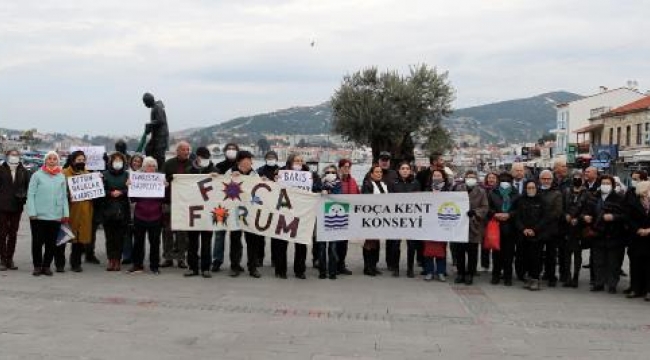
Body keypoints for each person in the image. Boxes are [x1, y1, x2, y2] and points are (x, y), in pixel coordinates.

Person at [274, 153, 321, 279]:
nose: (299, 163)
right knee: (282, 243)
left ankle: (300, 270)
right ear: (290, 162)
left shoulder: (311, 175)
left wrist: (313, 184)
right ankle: (280, 270)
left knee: (301, 242)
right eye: (296, 161)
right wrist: (276, 179)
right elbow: (274, 187)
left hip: (303, 213)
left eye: (301, 161)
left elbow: (317, 188)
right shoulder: (282, 173)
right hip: (285, 211)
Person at [26, 151, 69, 276]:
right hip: (38, 215)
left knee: (51, 243)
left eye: (54, 159)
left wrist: (65, 213)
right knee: (37, 242)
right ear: (45, 160)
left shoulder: (61, 176)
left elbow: (64, 196)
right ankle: (37, 266)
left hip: (55, 215)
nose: (51, 160)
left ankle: (46, 266)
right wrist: (32, 212)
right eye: (49, 158)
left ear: (58, 161)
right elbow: (31, 194)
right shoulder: (37, 175)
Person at [582, 175, 625, 293]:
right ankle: (598, 283)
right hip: (597, 233)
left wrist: (614, 217)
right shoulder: (593, 197)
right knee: (598, 261)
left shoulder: (619, 198)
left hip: (614, 234)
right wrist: (585, 217)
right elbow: (585, 211)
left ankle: (612, 284)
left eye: (607, 183)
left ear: (612, 185)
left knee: (613, 262)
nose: (605, 185)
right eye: (603, 183)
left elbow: (625, 215)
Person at [225, 150, 263, 278]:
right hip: (235, 212)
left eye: (250, 160)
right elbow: (222, 189)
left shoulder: (255, 174)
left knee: (252, 241)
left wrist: (264, 181)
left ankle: (252, 267)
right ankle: (235, 266)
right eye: (245, 160)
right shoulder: (230, 172)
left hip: (250, 212)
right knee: (235, 240)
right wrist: (230, 179)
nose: (248, 163)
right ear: (239, 162)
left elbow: (260, 192)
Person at [128, 157, 165, 274]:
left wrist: (166, 187)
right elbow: (133, 199)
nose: (151, 168)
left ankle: (154, 266)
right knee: (138, 242)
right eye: (149, 165)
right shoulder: (138, 179)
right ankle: (137, 264)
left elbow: (165, 199)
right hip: (140, 215)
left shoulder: (160, 179)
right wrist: (130, 186)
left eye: (153, 166)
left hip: (156, 215)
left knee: (155, 243)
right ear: (144, 167)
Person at [452, 170, 488, 285]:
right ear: (465, 178)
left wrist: (475, 212)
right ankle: (460, 273)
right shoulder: (458, 189)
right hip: (460, 225)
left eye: (473, 177)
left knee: (472, 252)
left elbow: (485, 207)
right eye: (468, 177)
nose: (470, 179)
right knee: (459, 252)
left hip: (474, 225)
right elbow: (452, 202)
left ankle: (470, 274)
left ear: (476, 179)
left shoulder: (481, 192)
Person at [185, 147, 216, 278]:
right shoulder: (189, 171)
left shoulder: (214, 170)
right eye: (202, 157)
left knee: (207, 242)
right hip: (193, 211)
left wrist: (217, 176)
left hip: (208, 213)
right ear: (197, 157)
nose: (204, 160)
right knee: (192, 242)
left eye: (206, 157)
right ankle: (192, 267)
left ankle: (205, 268)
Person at [60, 151, 94, 273]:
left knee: (79, 239)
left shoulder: (88, 174)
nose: (81, 162)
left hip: (84, 211)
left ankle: (76, 263)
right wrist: (69, 195)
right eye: (78, 160)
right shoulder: (64, 173)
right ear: (73, 160)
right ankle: (60, 263)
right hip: (69, 210)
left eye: (83, 160)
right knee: (63, 237)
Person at [161, 141, 193, 269]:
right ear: (177, 151)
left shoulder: (193, 164)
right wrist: (166, 182)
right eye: (183, 150)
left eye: (187, 150)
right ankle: (168, 258)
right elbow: (161, 179)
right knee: (167, 231)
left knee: (182, 233)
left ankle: (181, 258)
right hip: (169, 202)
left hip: (185, 204)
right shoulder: (168, 164)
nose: (186, 152)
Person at [211, 142, 240, 272]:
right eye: (229, 149)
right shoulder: (219, 166)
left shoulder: (241, 167)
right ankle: (217, 260)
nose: (231, 151)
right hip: (221, 205)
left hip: (237, 206)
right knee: (219, 235)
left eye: (234, 149)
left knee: (236, 236)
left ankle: (236, 262)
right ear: (225, 151)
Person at [514, 180, 548, 291]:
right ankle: (528, 277)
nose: (531, 189)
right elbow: (517, 217)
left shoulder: (542, 200)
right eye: (529, 188)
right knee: (525, 257)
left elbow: (545, 218)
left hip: (537, 235)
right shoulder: (521, 200)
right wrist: (523, 229)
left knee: (536, 258)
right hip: (523, 235)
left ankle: (535, 279)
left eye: (533, 187)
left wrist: (535, 229)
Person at [0, 149, 30, 271]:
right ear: (7, 156)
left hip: (17, 206)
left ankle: (10, 258)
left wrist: (24, 197)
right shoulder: (1, 170)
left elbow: (28, 188)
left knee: (13, 234)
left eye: (16, 155)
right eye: (12, 155)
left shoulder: (24, 171)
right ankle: (2, 259)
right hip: (2, 206)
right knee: (2, 233)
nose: (14, 157)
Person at [487, 172, 519, 286]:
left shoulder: (516, 193)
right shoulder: (493, 192)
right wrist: (495, 214)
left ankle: (508, 277)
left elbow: (518, 210)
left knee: (509, 254)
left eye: (507, 180)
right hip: (496, 226)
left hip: (511, 227)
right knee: (496, 253)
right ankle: (495, 275)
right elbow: (488, 208)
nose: (505, 182)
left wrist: (509, 215)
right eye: (502, 180)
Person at [361, 164, 392, 276]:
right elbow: (366, 200)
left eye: (380, 172)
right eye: (377, 172)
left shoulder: (383, 184)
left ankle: (373, 265)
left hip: (381, 217)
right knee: (369, 242)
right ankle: (367, 267)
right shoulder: (367, 184)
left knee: (376, 242)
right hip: (370, 217)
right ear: (371, 174)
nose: (379, 174)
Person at [102, 152, 130, 271]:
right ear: (111, 162)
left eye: (120, 160)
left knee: (120, 237)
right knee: (109, 237)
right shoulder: (105, 175)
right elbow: (101, 190)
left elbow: (130, 189)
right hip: (108, 209)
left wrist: (122, 192)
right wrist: (110, 193)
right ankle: (110, 260)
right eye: (115, 160)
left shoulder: (127, 175)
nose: (117, 162)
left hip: (122, 209)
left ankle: (118, 260)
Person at [422, 169, 451, 281]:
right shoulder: (427, 189)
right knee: (428, 247)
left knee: (441, 247)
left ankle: (441, 271)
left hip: (443, 222)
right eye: (435, 175)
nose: (437, 177)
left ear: (443, 178)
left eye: (439, 175)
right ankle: (429, 271)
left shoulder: (448, 190)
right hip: (429, 222)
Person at [392, 161, 421, 278]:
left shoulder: (415, 183)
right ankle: (396, 268)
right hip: (397, 219)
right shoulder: (393, 183)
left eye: (407, 168)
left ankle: (410, 268)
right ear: (399, 170)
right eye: (402, 168)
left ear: (410, 170)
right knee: (395, 245)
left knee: (412, 245)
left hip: (411, 219)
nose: (405, 170)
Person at [624, 179, 650, 301]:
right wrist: (638, 229)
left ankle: (648, 290)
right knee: (635, 265)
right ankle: (635, 289)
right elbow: (628, 219)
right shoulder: (633, 203)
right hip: (636, 238)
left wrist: (649, 230)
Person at [562, 170, 588, 288]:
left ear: (582, 180)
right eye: (575, 178)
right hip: (567, 227)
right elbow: (561, 207)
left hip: (579, 227)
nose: (577, 180)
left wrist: (579, 218)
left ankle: (576, 277)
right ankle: (567, 276)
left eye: (579, 178)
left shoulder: (586, 193)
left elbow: (588, 208)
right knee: (566, 253)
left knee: (577, 253)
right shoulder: (566, 191)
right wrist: (566, 215)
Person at [538, 169, 563, 287]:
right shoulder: (536, 191)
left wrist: (543, 220)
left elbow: (557, 212)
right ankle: (538, 274)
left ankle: (551, 275)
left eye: (548, 179)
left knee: (551, 254)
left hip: (551, 229)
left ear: (552, 180)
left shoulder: (557, 193)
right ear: (540, 179)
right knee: (537, 253)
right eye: (544, 178)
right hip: (538, 229)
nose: (546, 181)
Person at [255, 150, 280, 267]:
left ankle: (275, 259)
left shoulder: (282, 171)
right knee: (260, 235)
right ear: (265, 159)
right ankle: (259, 258)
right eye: (269, 157)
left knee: (275, 236)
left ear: (276, 159)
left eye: (273, 157)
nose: (271, 159)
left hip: (276, 205)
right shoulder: (259, 171)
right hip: (262, 205)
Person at [318, 164, 342, 280]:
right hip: (321, 219)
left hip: (333, 220)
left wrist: (329, 192)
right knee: (321, 248)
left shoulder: (339, 184)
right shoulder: (319, 183)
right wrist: (320, 191)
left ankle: (332, 272)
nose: (330, 174)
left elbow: (340, 197)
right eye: (328, 172)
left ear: (336, 174)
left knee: (332, 248)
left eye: (332, 172)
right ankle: (322, 272)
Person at [377, 151, 399, 271]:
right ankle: (371, 264)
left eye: (387, 160)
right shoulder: (372, 173)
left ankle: (391, 263)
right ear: (379, 161)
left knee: (392, 239)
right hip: (376, 211)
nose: (385, 162)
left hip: (393, 211)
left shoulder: (395, 174)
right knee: (373, 238)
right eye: (382, 160)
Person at [336, 158, 358, 275]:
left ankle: (341, 264)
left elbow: (358, 197)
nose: (347, 169)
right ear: (339, 167)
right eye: (344, 166)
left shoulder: (353, 181)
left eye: (349, 167)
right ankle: (334, 264)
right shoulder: (334, 180)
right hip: (335, 216)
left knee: (344, 243)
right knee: (335, 242)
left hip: (348, 217)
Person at [122, 153, 144, 265]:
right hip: (127, 205)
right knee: (127, 232)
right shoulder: (125, 174)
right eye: (135, 161)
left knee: (139, 234)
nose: (136, 163)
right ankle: (127, 255)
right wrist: (126, 185)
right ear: (131, 162)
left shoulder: (146, 175)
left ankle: (138, 255)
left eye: (139, 162)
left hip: (140, 206)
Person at [142, 92, 169, 169]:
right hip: (156, 136)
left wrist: (149, 124)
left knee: (159, 155)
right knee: (148, 149)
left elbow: (160, 120)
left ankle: (161, 170)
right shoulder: (155, 107)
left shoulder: (157, 107)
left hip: (161, 136)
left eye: (145, 102)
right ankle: (152, 167)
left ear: (149, 101)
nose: (145, 105)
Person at [480, 172, 499, 272]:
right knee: (484, 244)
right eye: (489, 178)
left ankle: (496, 264)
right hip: (484, 220)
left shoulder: (500, 190)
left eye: (493, 178)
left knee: (495, 242)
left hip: (495, 219)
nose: (491, 179)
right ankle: (485, 265)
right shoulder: (483, 190)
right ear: (486, 179)